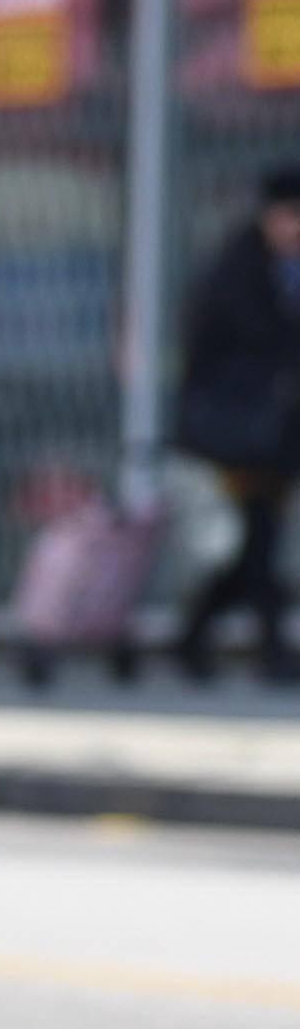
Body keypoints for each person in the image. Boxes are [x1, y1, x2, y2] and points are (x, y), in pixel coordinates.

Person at [172, 165, 300, 681]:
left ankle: (196, 635)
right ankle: (269, 649)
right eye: (290, 217)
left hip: (280, 433)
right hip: (241, 435)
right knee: (260, 538)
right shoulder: (235, 273)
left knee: (259, 541)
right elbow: (216, 358)